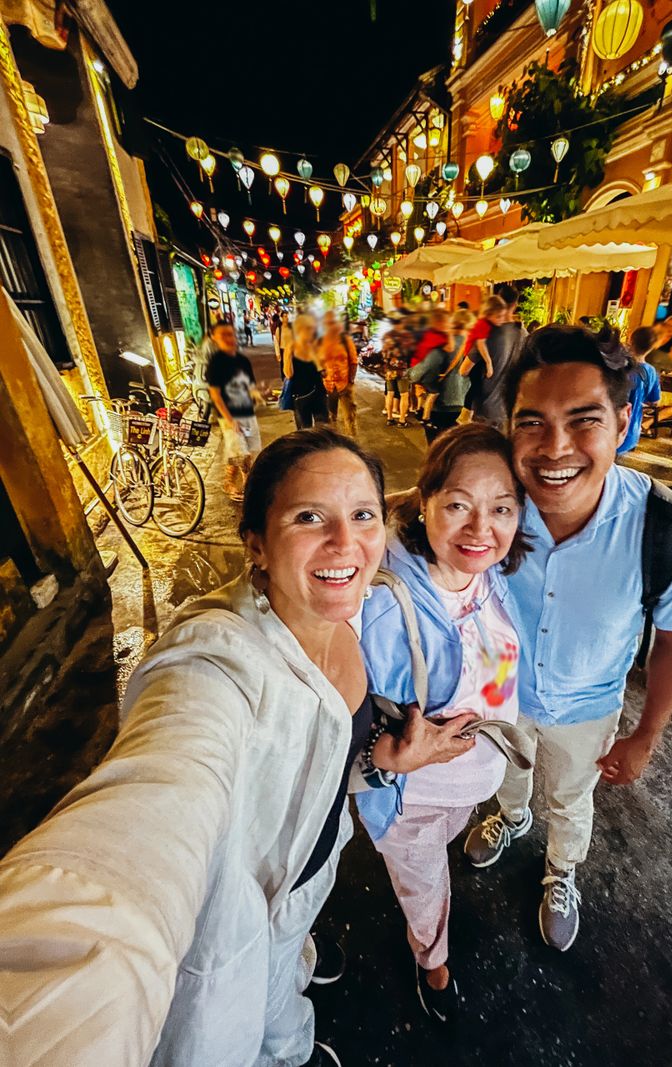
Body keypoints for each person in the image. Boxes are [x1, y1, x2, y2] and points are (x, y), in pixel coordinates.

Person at [0, 429, 472, 1067]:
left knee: (285, 979)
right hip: (239, 918)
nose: (345, 543)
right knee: (248, 1021)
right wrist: (70, 968)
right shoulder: (215, 658)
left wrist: (385, 760)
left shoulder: (347, 611)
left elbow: (326, 756)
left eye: (362, 514)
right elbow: (158, 793)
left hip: (312, 867)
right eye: (309, 517)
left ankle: (292, 1015)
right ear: (256, 543)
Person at [463, 325, 672, 952]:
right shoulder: (491, 505)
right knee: (505, 768)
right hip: (498, 684)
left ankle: (561, 869)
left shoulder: (665, 527)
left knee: (571, 794)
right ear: (509, 426)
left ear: (622, 419)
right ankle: (510, 818)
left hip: (588, 704)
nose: (554, 449)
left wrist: (647, 734)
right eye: (531, 422)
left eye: (583, 420)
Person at [358, 424, 529, 1023]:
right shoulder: (381, 603)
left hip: (472, 784)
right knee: (425, 885)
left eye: (501, 508)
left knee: (441, 857)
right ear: (423, 500)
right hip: (413, 800)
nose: (481, 529)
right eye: (458, 505)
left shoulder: (495, 573)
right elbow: (332, 715)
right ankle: (432, 958)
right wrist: (385, 758)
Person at [205, 319, 264, 502]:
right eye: (224, 335)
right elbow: (215, 395)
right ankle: (229, 483)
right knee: (240, 452)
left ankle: (247, 483)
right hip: (229, 415)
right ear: (215, 338)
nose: (229, 338)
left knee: (251, 451)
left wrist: (258, 394)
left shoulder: (242, 360)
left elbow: (250, 385)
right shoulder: (215, 364)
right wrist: (229, 419)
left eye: (230, 334)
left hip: (247, 413)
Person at [461, 285, 525, 430]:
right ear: (515, 305)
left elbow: (464, 370)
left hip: (485, 409)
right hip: (510, 409)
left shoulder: (487, 333)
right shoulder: (523, 333)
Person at [410, 308, 473, 442]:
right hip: (464, 405)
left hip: (441, 406)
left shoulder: (442, 344)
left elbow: (418, 373)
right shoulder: (475, 346)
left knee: (437, 446)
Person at [618, 325, 661, 453]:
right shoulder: (651, 372)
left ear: (631, 340)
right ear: (652, 347)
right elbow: (655, 401)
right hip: (630, 431)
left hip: (606, 429)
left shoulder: (617, 364)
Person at [284, 313, 329, 430]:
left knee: (324, 430)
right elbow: (288, 374)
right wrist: (288, 354)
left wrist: (319, 361)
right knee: (305, 433)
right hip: (300, 397)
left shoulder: (315, 346)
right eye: (308, 329)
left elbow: (325, 373)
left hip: (319, 393)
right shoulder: (291, 348)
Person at [410, 308, 455, 421]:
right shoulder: (437, 336)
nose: (449, 325)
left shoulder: (426, 332)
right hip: (425, 369)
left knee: (421, 390)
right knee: (434, 392)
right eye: (447, 322)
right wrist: (449, 333)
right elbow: (450, 348)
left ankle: (419, 410)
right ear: (439, 323)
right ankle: (425, 416)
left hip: (416, 368)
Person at [319, 310, 359, 436]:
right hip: (328, 386)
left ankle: (352, 441)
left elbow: (353, 361)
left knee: (350, 417)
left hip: (344, 384)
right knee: (330, 418)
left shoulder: (345, 339)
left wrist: (351, 381)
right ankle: (334, 442)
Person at [459, 295, 507, 391]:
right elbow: (480, 344)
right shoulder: (483, 324)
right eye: (498, 317)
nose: (502, 319)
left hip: (472, 357)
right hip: (470, 358)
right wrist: (489, 363)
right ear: (488, 314)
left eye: (503, 316)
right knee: (475, 385)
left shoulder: (489, 324)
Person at [381, 310, 415, 428]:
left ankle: (390, 419)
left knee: (390, 393)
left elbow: (383, 353)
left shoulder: (387, 336)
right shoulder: (406, 336)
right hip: (402, 370)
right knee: (404, 394)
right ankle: (401, 420)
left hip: (389, 370)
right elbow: (410, 352)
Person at [275, 310, 293, 380]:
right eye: (285, 316)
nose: (287, 318)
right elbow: (276, 342)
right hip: (283, 349)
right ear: (281, 318)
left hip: (291, 350)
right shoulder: (279, 329)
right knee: (284, 365)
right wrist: (277, 353)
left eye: (287, 316)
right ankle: (285, 379)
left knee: (291, 365)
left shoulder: (291, 328)